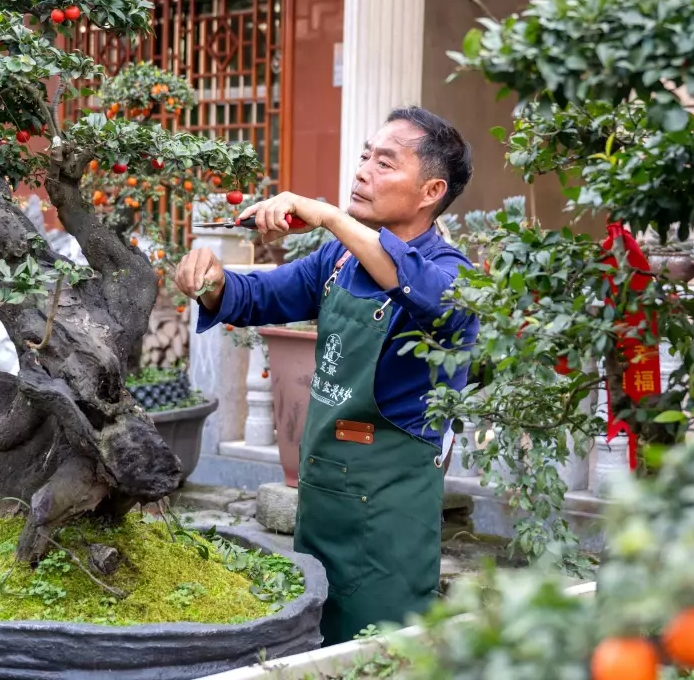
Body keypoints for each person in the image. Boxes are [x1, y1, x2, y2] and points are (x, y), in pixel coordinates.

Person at [175, 106, 478, 644]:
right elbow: (261, 295)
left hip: (389, 513)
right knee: (312, 645)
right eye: (365, 156)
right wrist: (214, 281)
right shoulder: (338, 258)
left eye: (384, 163)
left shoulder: (453, 274)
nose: (362, 171)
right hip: (321, 500)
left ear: (431, 190)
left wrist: (332, 216)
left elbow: (423, 292)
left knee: (380, 653)